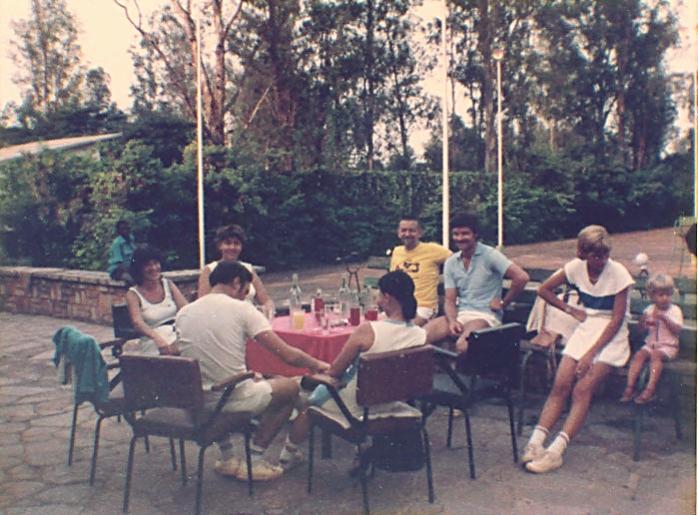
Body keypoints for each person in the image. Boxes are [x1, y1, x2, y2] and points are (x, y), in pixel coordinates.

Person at [176, 261, 328, 481]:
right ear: (237, 282)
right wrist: (319, 365)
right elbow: (288, 355)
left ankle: (228, 457)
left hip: (196, 400)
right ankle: (255, 460)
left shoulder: (185, 313)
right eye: (246, 290)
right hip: (229, 399)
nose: (246, 295)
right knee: (290, 388)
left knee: (242, 380)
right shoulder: (242, 309)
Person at [277, 270, 428, 471]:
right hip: (392, 403)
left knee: (307, 404)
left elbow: (335, 372)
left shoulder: (368, 330)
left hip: (357, 407)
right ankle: (362, 449)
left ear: (387, 298)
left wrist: (317, 369)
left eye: (378, 293)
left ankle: (287, 456)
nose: (376, 297)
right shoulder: (420, 335)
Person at [522, 225, 634, 474]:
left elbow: (616, 321)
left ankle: (556, 452)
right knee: (560, 385)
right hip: (587, 328)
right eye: (595, 256)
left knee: (582, 389)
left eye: (604, 255)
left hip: (611, 337)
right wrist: (570, 310)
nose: (601, 260)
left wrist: (590, 354)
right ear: (582, 252)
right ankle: (535, 443)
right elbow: (544, 290)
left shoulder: (619, 274)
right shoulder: (574, 267)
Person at [424, 213, 529, 353]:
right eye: (456, 234)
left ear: (475, 234)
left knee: (464, 344)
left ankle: (458, 374)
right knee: (421, 336)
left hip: (486, 317)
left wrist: (504, 303)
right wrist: (452, 321)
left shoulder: (490, 255)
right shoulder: (451, 262)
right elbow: (449, 300)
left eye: (465, 233)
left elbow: (521, 277)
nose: (460, 238)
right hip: (461, 314)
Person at [620, 274, 683, 404]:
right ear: (652, 296)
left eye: (668, 294)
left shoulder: (674, 310)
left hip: (668, 346)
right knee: (639, 355)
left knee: (656, 355)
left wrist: (664, 319)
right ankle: (630, 387)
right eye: (661, 295)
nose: (665, 298)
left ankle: (650, 389)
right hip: (651, 344)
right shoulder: (649, 310)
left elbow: (677, 330)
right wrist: (644, 322)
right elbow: (640, 330)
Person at [125, 245, 188, 356]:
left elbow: (186, 309)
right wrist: (157, 339)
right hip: (153, 340)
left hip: (175, 333)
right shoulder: (133, 294)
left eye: (155, 263)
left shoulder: (168, 284)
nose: (153, 268)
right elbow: (137, 323)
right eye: (148, 265)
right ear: (139, 269)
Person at [197, 224, 274, 315]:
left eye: (236, 243)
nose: (232, 247)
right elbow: (202, 303)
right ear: (220, 246)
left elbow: (266, 300)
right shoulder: (210, 270)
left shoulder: (248, 269)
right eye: (228, 243)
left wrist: (269, 311)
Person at [390, 215, 451, 326]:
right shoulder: (397, 251)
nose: (407, 234)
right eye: (403, 230)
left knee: (404, 329)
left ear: (420, 233)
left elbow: (458, 260)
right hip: (399, 306)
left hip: (424, 307)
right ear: (398, 232)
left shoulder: (433, 250)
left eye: (412, 230)